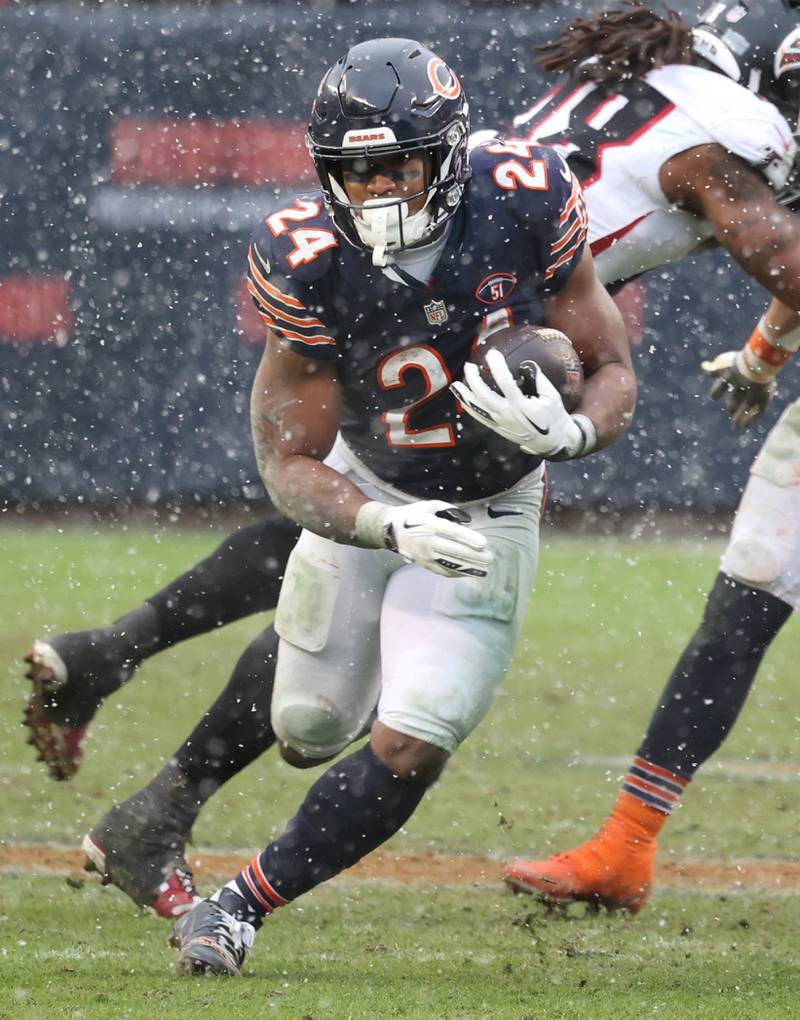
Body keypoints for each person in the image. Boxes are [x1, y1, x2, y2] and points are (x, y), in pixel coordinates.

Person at [26, 0, 800, 918]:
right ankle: (139, 733)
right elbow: (784, 259)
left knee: (353, 525)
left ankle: (122, 678)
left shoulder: (625, 84)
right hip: (493, 291)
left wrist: (762, 351)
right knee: (365, 521)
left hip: (467, 280)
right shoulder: (731, 135)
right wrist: (757, 352)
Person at [166, 36, 633, 974]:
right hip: (373, 487)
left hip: (491, 508)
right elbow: (288, 461)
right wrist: (382, 524)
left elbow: (613, 368)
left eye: (396, 167)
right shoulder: (306, 255)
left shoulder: (525, 197)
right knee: (304, 731)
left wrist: (574, 434)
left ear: (449, 155)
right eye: (356, 171)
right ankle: (385, 640)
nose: (375, 191)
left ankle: (238, 906)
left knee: (412, 742)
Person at [501, 0, 800, 911]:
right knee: (745, 597)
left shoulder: (706, 120)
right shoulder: (729, 135)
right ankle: (626, 849)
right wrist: (762, 355)